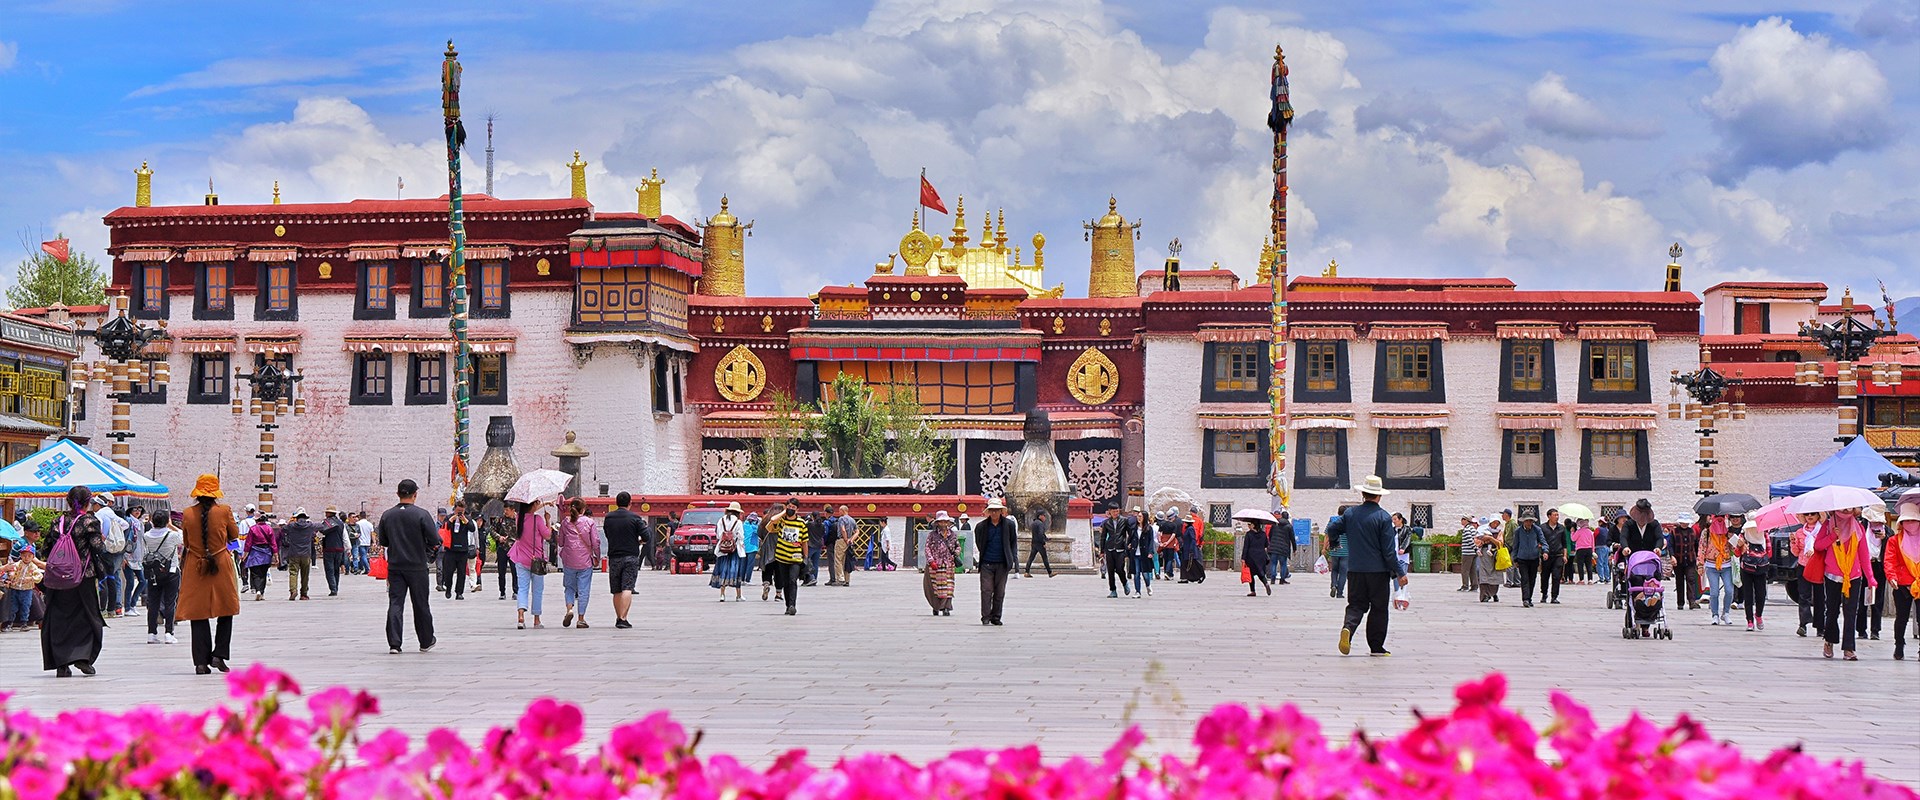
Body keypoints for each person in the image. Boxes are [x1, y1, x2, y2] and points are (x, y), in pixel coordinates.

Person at [1328, 476, 1407, 656]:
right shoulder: (1383, 517)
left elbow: (1332, 528)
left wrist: (1333, 543)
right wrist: (1400, 572)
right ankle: (1376, 647)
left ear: (1363, 494)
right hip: (1378, 572)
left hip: (1355, 569)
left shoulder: (1349, 514)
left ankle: (1348, 628)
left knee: (1356, 604)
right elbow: (1388, 552)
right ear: (1379, 496)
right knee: (1378, 608)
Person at [177, 475, 241, 675]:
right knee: (226, 609)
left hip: (196, 565)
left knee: (198, 614)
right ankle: (219, 655)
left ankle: (200, 663)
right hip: (220, 563)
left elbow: (186, 542)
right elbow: (234, 535)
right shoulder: (224, 511)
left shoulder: (187, 513)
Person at [1811, 506, 1876, 661]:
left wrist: (1871, 577)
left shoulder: (1858, 527)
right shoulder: (1828, 525)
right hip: (1832, 575)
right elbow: (1817, 546)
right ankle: (1829, 641)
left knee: (1851, 612)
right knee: (1832, 611)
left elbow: (1864, 554)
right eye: (1843, 508)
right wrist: (1832, 536)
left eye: (1850, 508)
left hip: (1853, 576)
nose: (1847, 511)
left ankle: (1849, 648)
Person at [508, 498, 554, 630]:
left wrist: (544, 504)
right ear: (533, 505)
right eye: (537, 503)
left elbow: (529, 511)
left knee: (522, 588)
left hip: (521, 559)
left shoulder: (519, 519)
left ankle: (521, 617)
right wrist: (548, 521)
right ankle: (536, 619)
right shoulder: (538, 520)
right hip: (536, 561)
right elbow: (548, 536)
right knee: (537, 590)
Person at [602, 492, 645, 629]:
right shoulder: (635, 518)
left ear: (616, 503)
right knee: (627, 587)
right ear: (629, 503)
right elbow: (646, 536)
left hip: (614, 556)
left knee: (616, 589)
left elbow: (607, 534)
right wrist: (639, 541)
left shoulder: (608, 518)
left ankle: (618, 617)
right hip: (631, 556)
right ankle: (623, 618)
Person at [140, 511, 183, 644]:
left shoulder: (146, 536)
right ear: (166, 521)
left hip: (154, 572)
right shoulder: (172, 535)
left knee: (153, 603)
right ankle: (169, 633)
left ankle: (151, 633)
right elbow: (184, 537)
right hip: (171, 571)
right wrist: (172, 526)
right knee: (170, 602)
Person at [974, 498, 1017, 626]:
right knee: (986, 590)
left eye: (996, 511)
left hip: (1002, 563)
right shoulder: (981, 526)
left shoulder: (1009, 525)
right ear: (988, 512)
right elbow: (979, 543)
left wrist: (1011, 558)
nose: (994, 513)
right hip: (987, 563)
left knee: (1000, 592)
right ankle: (985, 616)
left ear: (1001, 512)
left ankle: (996, 616)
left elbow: (1013, 542)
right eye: (992, 511)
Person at [557, 498, 600, 626]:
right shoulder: (589, 522)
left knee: (569, 587)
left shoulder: (565, 522)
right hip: (585, 561)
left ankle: (569, 609)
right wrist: (597, 556)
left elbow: (560, 542)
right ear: (583, 509)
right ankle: (581, 619)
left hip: (569, 560)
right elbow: (595, 542)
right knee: (583, 589)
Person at [1884, 504, 1917, 661]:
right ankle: (1899, 644)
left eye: (1914, 520)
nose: (1911, 524)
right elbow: (1889, 560)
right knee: (1901, 617)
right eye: (1907, 520)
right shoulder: (1894, 541)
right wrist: (1892, 576)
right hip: (1902, 584)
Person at [766, 498, 809, 615]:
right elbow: (771, 522)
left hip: (795, 557)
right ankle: (787, 605)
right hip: (781, 557)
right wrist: (784, 512)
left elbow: (804, 541)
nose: (791, 509)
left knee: (792, 580)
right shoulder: (781, 521)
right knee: (785, 582)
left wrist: (806, 557)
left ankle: (792, 605)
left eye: (793, 507)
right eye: (789, 507)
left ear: (797, 509)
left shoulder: (801, 523)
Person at [1790, 511, 1826, 638]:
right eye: (1807, 514)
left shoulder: (1823, 531)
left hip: (1818, 566)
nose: (1810, 516)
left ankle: (1820, 626)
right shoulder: (1800, 532)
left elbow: (1825, 548)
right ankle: (1803, 624)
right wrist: (1793, 542)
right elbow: (1795, 553)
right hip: (1803, 565)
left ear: (1818, 516)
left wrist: (1815, 550)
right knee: (1803, 596)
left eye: (1813, 514)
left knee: (1819, 597)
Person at [1698, 516, 1737, 625]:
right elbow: (1701, 548)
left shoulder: (1728, 532)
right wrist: (1700, 564)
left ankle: (1726, 613)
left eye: (1721, 518)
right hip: (1711, 565)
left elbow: (1736, 549)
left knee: (1729, 590)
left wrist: (1735, 540)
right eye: (1716, 518)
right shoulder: (1707, 533)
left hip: (1726, 564)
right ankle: (1715, 614)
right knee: (1714, 592)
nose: (1719, 520)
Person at [1734, 520, 1772, 632]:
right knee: (1748, 595)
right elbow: (1736, 553)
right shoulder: (1743, 536)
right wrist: (1740, 546)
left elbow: (1769, 553)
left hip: (1761, 568)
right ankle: (1749, 620)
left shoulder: (1765, 534)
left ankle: (1758, 615)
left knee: (1761, 594)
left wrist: (1760, 553)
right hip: (1746, 568)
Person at [279, 508, 319, 601]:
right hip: (306, 554)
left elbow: (283, 529)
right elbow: (321, 526)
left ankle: (293, 590)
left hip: (294, 553)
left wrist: (291, 520)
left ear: (296, 518)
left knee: (293, 573)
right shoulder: (310, 526)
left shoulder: (292, 526)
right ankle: (304, 594)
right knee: (305, 574)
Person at [923, 511, 959, 616]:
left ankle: (946, 607)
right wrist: (931, 560)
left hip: (948, 564)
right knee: (936, 587)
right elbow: (927, 548)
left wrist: (955, 554)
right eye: (941, 521)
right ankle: (936, 606)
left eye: (945, 521)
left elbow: (958, 546)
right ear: (937, 523)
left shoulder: (952, 535)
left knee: (948, 587)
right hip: (935, 565)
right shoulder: (932, 535)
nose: (943, 524)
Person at [709, 501, 746, 602]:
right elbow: (741, 536)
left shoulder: (721, 520)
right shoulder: (738, 522)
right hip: (734, 550)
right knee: (736, 571)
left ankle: (722, 594)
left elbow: (718, 535)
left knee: (723, 571)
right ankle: (738, 595)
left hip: (723, 550)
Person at [1510, 514, 1547, 608]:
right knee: (1525, 579)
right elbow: (1515, 545)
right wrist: (1514, 558)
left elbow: (1543, 541)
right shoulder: (1518, 531)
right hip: (1522, 558)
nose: (1528, 523)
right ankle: (1525, 599)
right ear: (1523, 521)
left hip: (1534, 558)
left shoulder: (1537, 530)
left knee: (1532, 579)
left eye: (1530, 521)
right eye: (1527, 521)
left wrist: (1545, 551)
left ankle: (1529, 598)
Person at [1097, 504, 1134, 598]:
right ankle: (1113, 590)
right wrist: (1102, 551)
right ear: (1109, 511)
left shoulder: (1124, 521)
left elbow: (1130, 533)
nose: (1115, 513)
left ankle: (1125, 583)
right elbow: (1103, 537)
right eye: (1113, 511)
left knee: (1119, 568)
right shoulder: (1106, 523)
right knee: (1110, 570)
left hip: (1120, 548)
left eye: (1117, 511)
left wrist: (1129, 544)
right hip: (1109, 548)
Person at [442, 506, 478, 600]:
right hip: (451, 550)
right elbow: (444, 527)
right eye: (458, 511)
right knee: (448, 572)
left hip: (463, 550)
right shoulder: (449, 517)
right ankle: (448, 588)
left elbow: (472, 528)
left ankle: (459, 592)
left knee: (461, 573)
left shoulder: (467, 518)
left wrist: (465, 520)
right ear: (454, 510)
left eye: (461, 511)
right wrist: (451, 520)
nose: (460, 513)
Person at [240, 511, 276, 601]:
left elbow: (248, 544)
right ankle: (262, 592)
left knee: (255, 573)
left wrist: (244, 555)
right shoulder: (269, 529)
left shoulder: (252, 529)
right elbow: (273, 543)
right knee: (263, 574)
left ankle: (258, 591)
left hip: (255, 554)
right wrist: (276, 556)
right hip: (266, 553)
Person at [123, 505, 149, 613]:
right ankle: (128, 607)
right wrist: (123, 556)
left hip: (139, 557)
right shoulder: (127, 521)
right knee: (130, 582)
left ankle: (132, 604)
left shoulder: (140, 523)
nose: (137, 511)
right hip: (128, 556)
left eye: (139, 509)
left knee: (143, 581)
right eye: (135, 509)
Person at [319, 508, 348, 596]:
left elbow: (321, 533)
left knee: (329, 569)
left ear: (328, 513)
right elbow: (344, 537)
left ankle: (333, 589)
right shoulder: (341, 523)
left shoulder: (325, 523)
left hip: (328, 548)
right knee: (336, 569)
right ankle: (336, 587)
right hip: (339, 548)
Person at [1540, 509, 1568, 604]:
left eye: (1557, 515)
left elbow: (1564, 543)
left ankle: (1554, 596)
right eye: (1554, 515)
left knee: (1557, 576)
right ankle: (1544, 594)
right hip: (1546, 555)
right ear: (1549, 516)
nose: (1557, 517)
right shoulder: (1542, 528)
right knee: (1545, 576)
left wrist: (1565, 555)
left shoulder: (1561, 528)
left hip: (1558, 555)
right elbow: (1539, 541)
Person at [1474, 517, 1504, 603]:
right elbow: (1477, 540)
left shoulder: (1499, 532)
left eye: (1497, 523)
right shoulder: (1483, 530)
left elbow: (1500, 543)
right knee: (1484, 575)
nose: (1495, 524)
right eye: (1494, 522)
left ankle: (1493, 593)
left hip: (1495, 555)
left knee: (1495, 575)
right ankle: (1485, 595)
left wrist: (1490, 539)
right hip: (1484, 555)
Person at [1128, 507, 1155, 597]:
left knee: (1145, 574)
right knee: (1136, 573)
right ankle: (1137, 591)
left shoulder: (1149, 529)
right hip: (1135, 553)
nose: (1138, 518)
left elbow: (1151, 541)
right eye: (1138, 516)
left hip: (1145, 553)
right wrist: (1128, 545)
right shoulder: (1133, 528)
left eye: (1140, 516)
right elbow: (1130, 538)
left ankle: (1148, 585)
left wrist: (1151, 552)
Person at [1242, 519, 1273, 597]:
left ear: (1254, 525)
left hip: (1251, 556)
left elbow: (1246, 547)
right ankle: (1266, 583)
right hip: (1261, 556)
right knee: (1260, 572)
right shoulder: (1263, 534)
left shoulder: (1249, 534)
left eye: (1250, 524)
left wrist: (1243, 558)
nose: (1249, 526)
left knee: (1251, 574)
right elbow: (1266, 545)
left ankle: (1253, 591)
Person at [829, 505, 856, 587]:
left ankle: (840, 579)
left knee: (838, 560)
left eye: (839, 511)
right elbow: (857, 531)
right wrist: (851, 540)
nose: (838, 512)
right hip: (849, 542)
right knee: (846, 560)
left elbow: (843, 529)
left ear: (842, 510)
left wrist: (845, 539)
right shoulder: (852, 520)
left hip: (842, 540)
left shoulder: (841, 519)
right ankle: (847, 580)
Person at [1178, 508, 1206, 584]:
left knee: (1192, 563)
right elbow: (1200, 534)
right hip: (1188, 547)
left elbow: (1193, 538)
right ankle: (1186, 577)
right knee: (1187, 563)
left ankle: (1199, 575)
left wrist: (1192, 547)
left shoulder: (1190, 529)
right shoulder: (1198, 522)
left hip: (1190, 548)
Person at [1325, 509, 1349, 599]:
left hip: (1334, 550)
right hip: (1346, 551)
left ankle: (1333, 585)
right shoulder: (1348, 522)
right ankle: (1339, 593)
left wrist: (1325, 547)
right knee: (1343, 572)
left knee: (1334, 570)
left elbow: (1327, 535)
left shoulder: (1332, 520)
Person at [1025, 508, 1055, 578]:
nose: (1045, 517)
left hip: (1034, 543)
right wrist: (1044, 542)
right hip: (1040, 543)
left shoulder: (1034, 523)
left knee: (1031, 558)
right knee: (1045, 558)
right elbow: (1040, 534)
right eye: (1044, 516)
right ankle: (1050, 572)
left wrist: (1047, 538)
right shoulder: (1040, 524)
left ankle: (1026, 572)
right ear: (1040, 516)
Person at [1455, 515, 1479, 592]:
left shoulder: (1467, 530)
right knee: (1473, 570)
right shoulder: (1473, 529)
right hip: (1473, 553)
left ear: (1466, 521)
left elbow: (1470, 540)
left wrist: (1474, 548)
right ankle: (1474, 585)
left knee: (1465, 570)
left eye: (1463, 519)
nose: (1461, 521)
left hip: (1467, 552)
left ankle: (1465, 585)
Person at [1269, 512, 1294, 585]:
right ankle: (1282, 579)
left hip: (1274, 547)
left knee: (1273, 563)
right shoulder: (1289, 526)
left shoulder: (1275, 524)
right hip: (1284, 548)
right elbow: (1292, 538)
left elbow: (1270, 535)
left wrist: (1271, 544)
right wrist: (1294, 548)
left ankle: (1273, 579)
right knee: (1283, 564)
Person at [1570, 517, 1596, 586]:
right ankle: (1590, 580)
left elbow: (1573, 539)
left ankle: (1581, 579)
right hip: (1589, 549)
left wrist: (1572, 532)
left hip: (1580, 549)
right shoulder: (1590, 532)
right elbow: (1593, 542)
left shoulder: (1579, 531)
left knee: (1580, 565)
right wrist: (1593, 550)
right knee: (1589, 565)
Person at [1594, 516, 1615, 584]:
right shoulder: (1607, 530)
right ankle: (1607, 578)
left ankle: (1601, 578)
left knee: (1599, 563)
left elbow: (1594, 537)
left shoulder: (1598, 529)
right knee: (1605, 563)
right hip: (1606, 548)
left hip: (1599, 547)